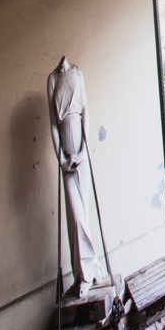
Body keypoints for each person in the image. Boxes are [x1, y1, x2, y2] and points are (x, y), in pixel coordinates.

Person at [48, 56, 109, 297]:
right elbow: (53, 125)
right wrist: (61, 159)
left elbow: (85, 111)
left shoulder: (77, 73)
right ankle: (84, 273)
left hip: (81, 151)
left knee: (84, 213)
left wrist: (83, 151)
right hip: (66, 154)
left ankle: (90, 270)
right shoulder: (52, 79)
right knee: (75, 217)